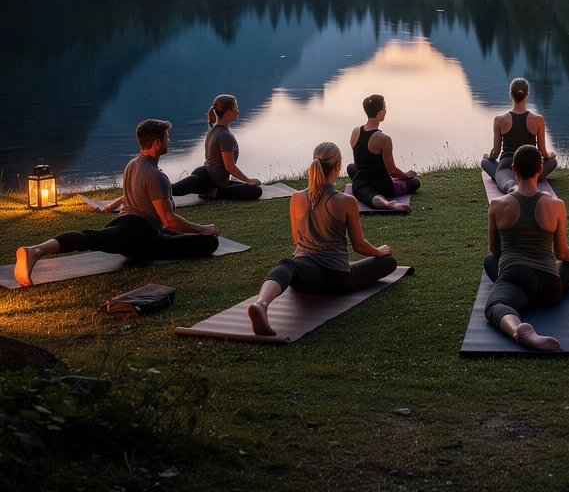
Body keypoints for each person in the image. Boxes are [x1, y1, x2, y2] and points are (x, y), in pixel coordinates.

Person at [14, 120, 219, 286]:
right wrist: (201, 229)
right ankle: (35, 251)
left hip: (128, 226)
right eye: (167, 138)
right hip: (138, 237)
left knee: (94, 237)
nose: (170, 141)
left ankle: (36, 250)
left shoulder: (132, 164)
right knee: (209, 242)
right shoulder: (156, 176)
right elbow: (168, 220)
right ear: (157, 143)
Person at [248, 142, 398, 337]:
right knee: (389, 262)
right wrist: (380, 251)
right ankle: (260, 306)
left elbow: (297, 239)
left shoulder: (296, 197)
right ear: (338, 166)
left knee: (287, 264)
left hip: (304, 281)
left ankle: (261, 304)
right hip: (338, 280)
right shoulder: (346, 201)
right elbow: (359, 246)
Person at [484, 144, 569, 351]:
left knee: (495, 302)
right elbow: (562, 254)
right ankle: (526, 298)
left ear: (514, 169)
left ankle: (516, 329)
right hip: (549, 287)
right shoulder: (557, 205)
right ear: (540, 170)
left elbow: (495, 252)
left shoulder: (497, 205)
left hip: (516, 278)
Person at [170, 94, 262, 201]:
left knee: (253, 188)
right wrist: (248, 181)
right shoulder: (224, 135)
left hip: (210, 178)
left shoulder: (213, 128)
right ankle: (213, 193)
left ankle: (212, 191)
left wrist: (247, 180)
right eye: (236, 107)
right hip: (207, 180)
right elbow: (229, 166)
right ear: (228, 112)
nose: (238, 110)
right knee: (172, 189)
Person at [481, 77, 558, 194]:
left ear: (511, 94)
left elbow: (495, 153)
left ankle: (512, 186)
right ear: (527, 94)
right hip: (530, 165)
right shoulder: (538, 120)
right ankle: (528, 184)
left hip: (507, 164)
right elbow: (542, 152)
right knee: (553, 162)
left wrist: (489, 156)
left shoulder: (500, 120)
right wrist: (549, 155)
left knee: (485, 162)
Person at [346, 94, 420, 211]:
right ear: (380, 113)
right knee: (415, 182)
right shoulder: (383, 139)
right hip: (383, 186)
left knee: (350, 168)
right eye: (385, 108)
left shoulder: (355, 131)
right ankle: (387, 203)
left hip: (360, 182)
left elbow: (356, 165)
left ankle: (376, 197)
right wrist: (406, 175)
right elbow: (392, 171)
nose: (386, 110)